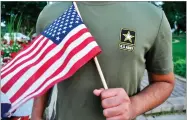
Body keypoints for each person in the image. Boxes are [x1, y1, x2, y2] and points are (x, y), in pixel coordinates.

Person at [31, 1, 175, 120]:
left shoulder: (152, 17)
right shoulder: (50, 14)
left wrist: (133, 106)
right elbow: (43, 73)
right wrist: (36, 116)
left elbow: (164, 81)